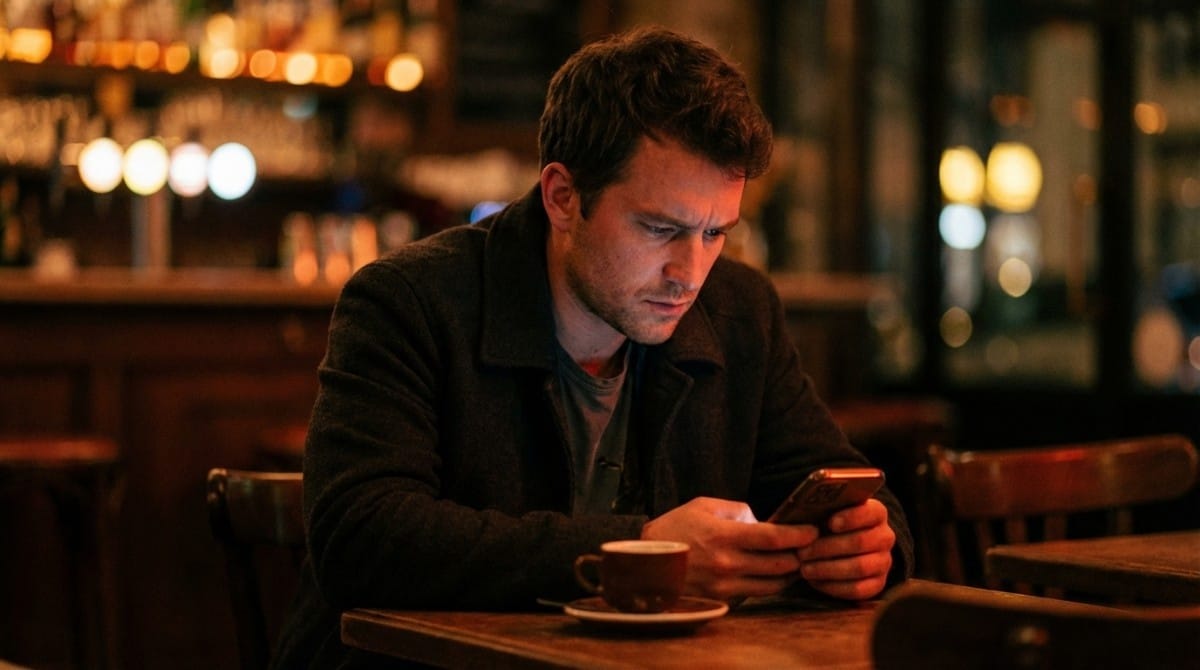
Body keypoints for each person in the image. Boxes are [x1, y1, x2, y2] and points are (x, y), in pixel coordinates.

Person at [271, 26, 912, 669]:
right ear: (563, 197)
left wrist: (865, 547)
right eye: (661, 229)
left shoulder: (740, 311)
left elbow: (849, 487)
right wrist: (643, 553)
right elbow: (360, 536)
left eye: (717, 232)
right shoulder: (407, 301)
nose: (691, 271)